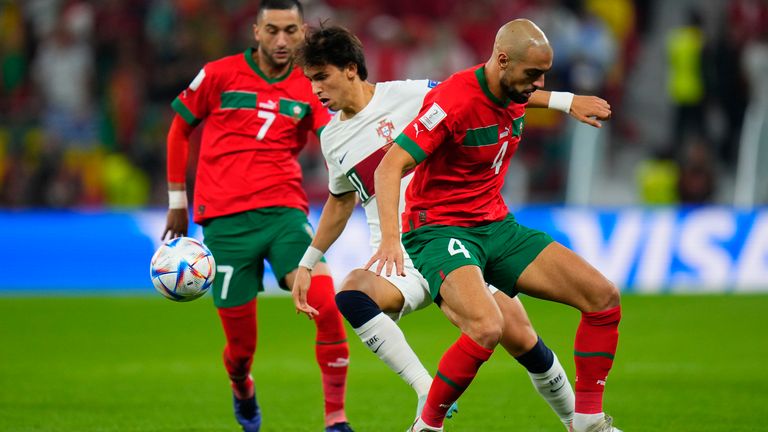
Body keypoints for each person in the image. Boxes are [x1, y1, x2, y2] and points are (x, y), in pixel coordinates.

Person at [291, 25, 611, 430]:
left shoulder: (411, 93)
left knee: (520, 337)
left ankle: (577, 421)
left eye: (322, 77)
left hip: (459, 232)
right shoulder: (333, 137)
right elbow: (340, 202)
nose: (316, 89)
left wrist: (564, 102)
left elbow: (491, 92)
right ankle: (426, 390)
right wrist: (310, 260)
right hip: (401, 255)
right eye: (310, 80)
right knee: (352, 295)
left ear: (351, 69)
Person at [161, 2, 352, 431]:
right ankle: (242, 385)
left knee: (326, 305)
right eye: (272, 31)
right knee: (241, 348)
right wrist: (178, 201)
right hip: (226, 225)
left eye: (289, 31)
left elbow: (334, 134)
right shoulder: (218, 74)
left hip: (285, 215)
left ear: (303, 32)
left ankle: (336, 418)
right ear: (256, 31)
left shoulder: (310, 85)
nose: (281, 41)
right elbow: (178, 129)